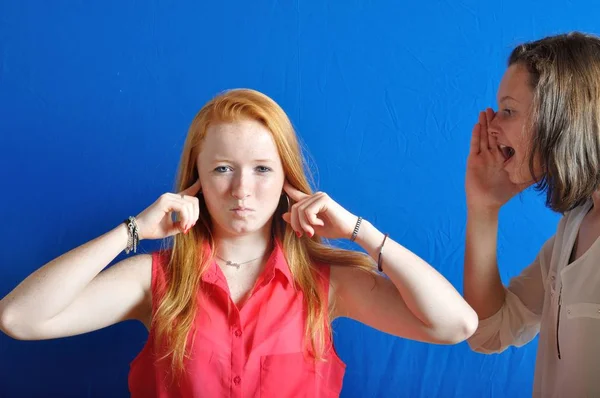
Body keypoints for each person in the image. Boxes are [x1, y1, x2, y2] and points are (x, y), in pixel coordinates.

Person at [0, 88, 477, 397]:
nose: (242, 189)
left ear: (288, 178)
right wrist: (134, 232)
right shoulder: (156, 280)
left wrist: (359, 231)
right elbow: (18, 319)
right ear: (197, 182)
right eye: (222, 169)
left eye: (262, 169)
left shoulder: (328, 284)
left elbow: (456, 324)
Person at [464, 32, 600, 397]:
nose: (492, 125)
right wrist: (483, 209)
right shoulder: (573, 229)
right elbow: (488, 332)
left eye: (508, 110)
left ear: (564, 115)